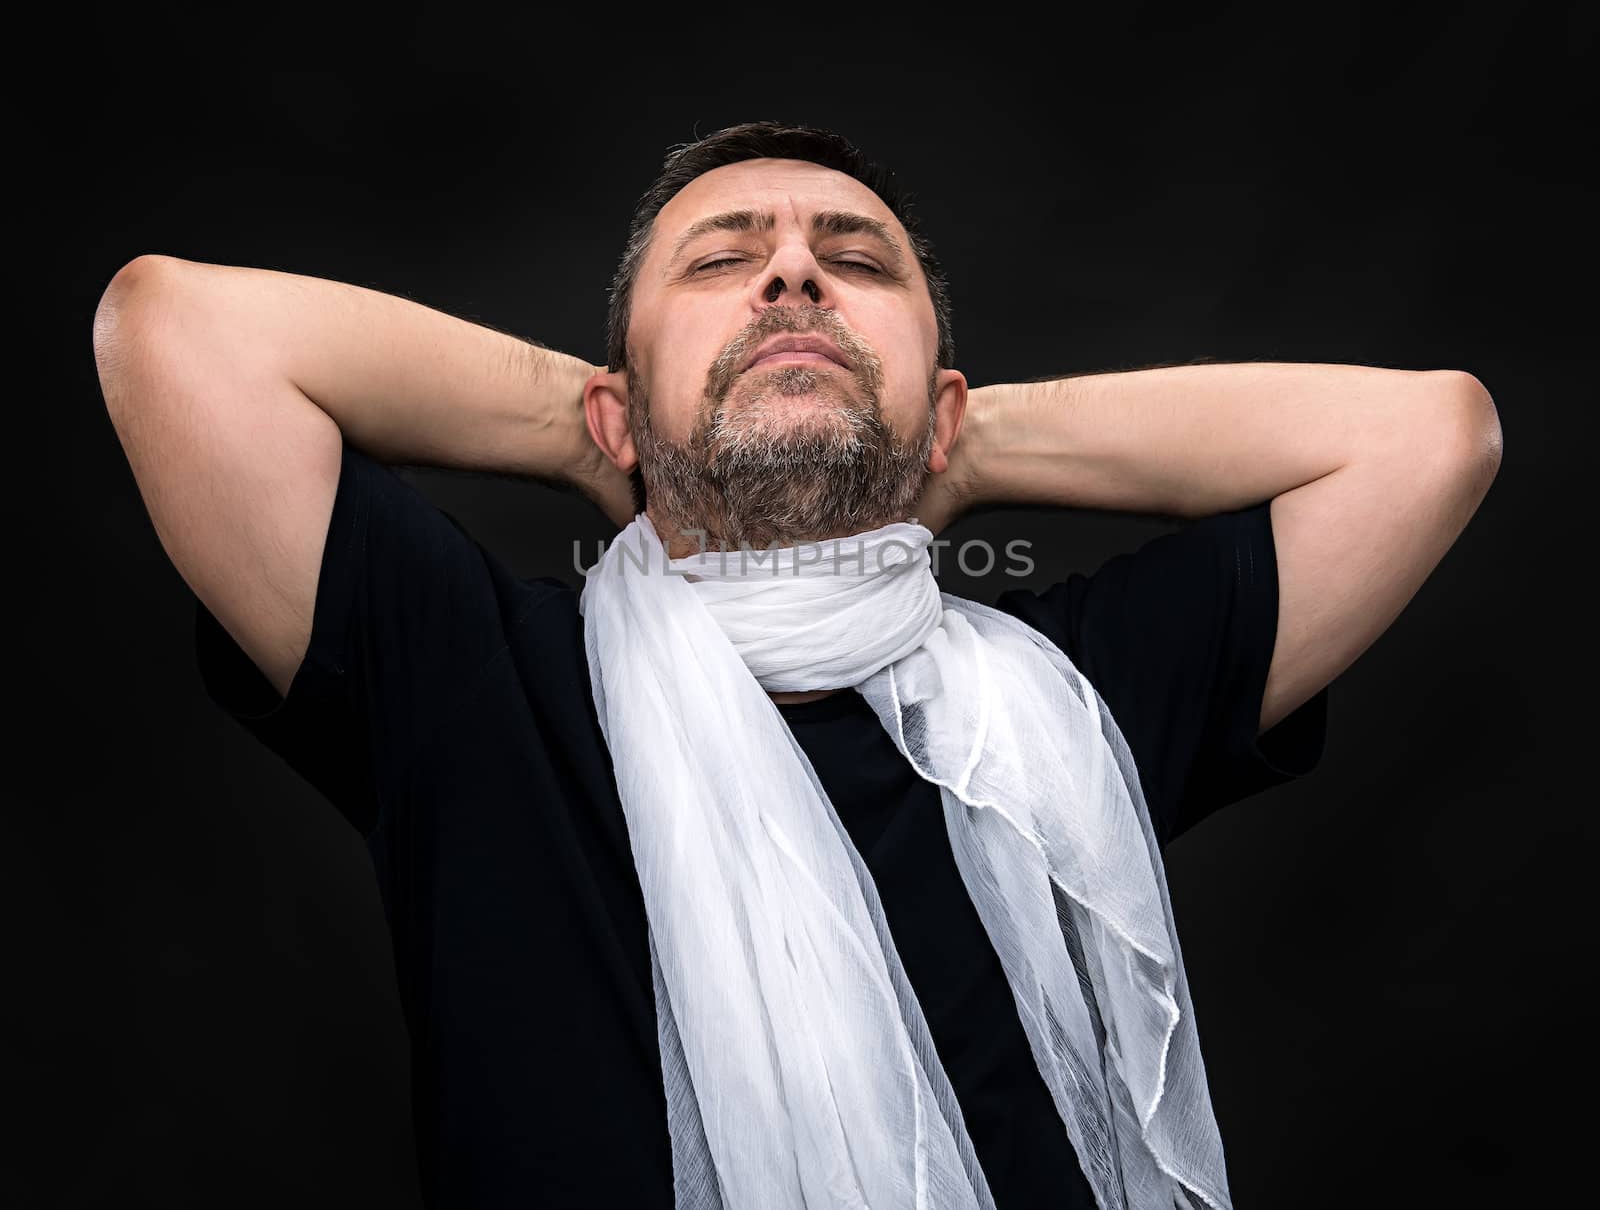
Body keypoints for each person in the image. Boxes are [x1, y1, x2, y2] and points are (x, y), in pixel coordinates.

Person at [92, 121, 1503, 1209]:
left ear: (942, 413)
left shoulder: (1068, 702)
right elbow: (176, 335)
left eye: (858, 261)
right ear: (614, 409)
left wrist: (969, 437)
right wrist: (605, 425)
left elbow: (1430, 438)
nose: (793, 271)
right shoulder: (475, 686)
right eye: (723, 260)